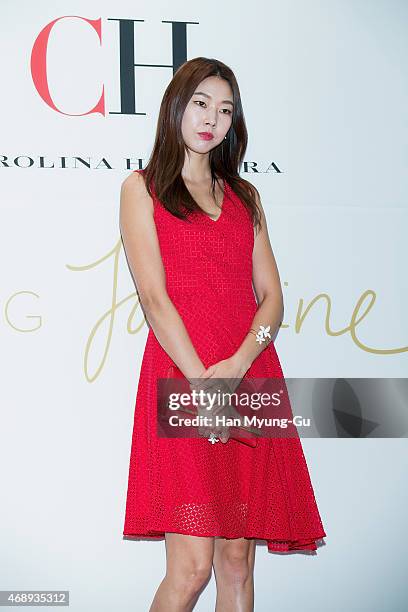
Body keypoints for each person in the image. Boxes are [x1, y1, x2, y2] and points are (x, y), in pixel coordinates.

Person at [120, 57, 326, 612]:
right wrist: (204, 384)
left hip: (247, 376)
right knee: (191, 569)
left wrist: (237, 366)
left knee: (236, 565)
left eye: (226, 109)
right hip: (183, 381)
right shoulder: (141, 189)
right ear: (175, 108)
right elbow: (155, 299)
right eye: (201, 104)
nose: (212, 118)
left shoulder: (245, 197)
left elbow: (273, 298)